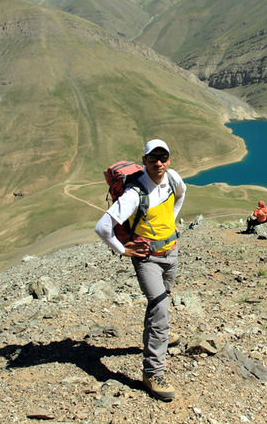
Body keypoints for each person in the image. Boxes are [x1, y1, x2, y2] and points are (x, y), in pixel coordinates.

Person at [94, 139, 186, 402]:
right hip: (148, 259)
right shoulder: (136, 193)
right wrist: (123, 250)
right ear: (144, 161)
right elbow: (102, 227)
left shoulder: (172, 178)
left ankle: (161, 332)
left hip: (171, 251)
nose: (159, 163)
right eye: (152, 159)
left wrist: (172, 222)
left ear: (169, 159)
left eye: (163, 158)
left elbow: (182, 193)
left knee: (162, 304)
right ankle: (153, 373)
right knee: (159, 307)